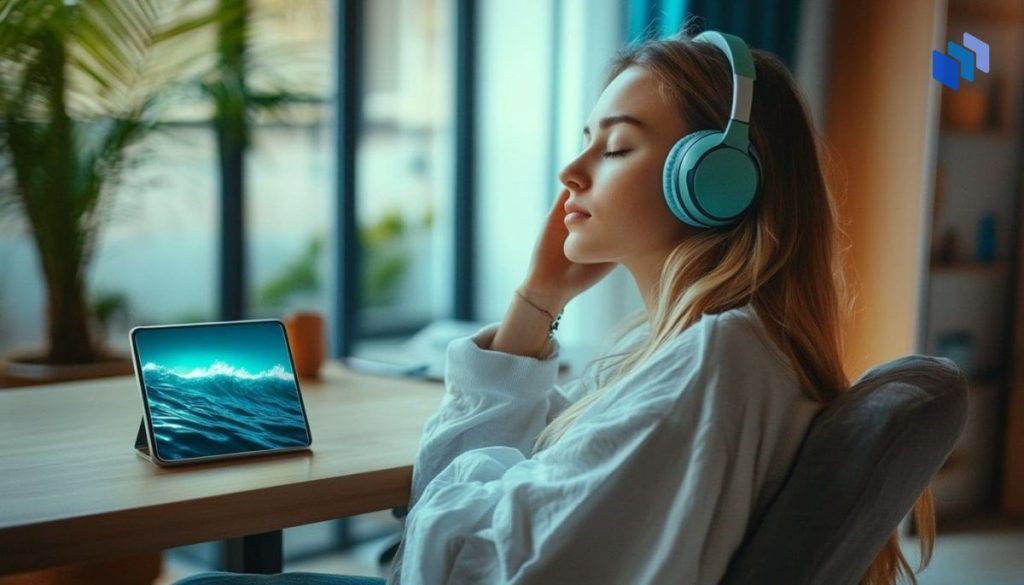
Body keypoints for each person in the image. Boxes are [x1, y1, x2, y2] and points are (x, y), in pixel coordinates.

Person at [176, 26, 936, 585]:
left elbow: (457, 565)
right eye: (585, 140)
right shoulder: (708, 351)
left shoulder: (708, 367)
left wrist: (480, 476)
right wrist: (538, 300)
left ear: (713, 182)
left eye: (615, 147)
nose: (571, 171)